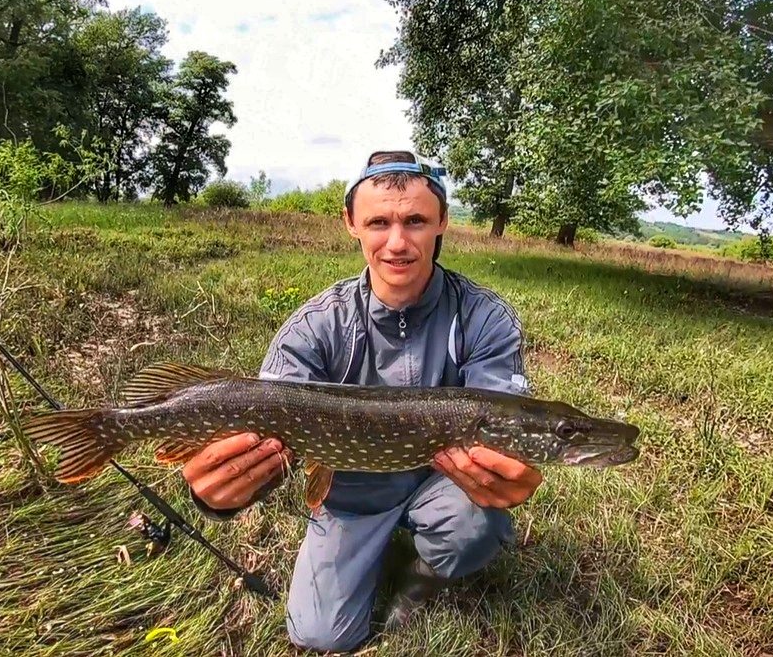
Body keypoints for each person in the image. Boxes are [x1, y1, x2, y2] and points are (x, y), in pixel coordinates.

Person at [181, 150, 544, 653]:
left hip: (443, 485)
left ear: (442, 221)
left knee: (474, 526)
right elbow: (259, 438)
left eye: (415, 220)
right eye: (379, 222)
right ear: (351, 223)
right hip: (349, 500)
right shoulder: (313, 327)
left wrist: (513, 469)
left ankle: (421, 577)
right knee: (319, 636)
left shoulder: (484, 319)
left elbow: (503, 420)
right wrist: (214, 496)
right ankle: (372, 543)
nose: (398, 242)